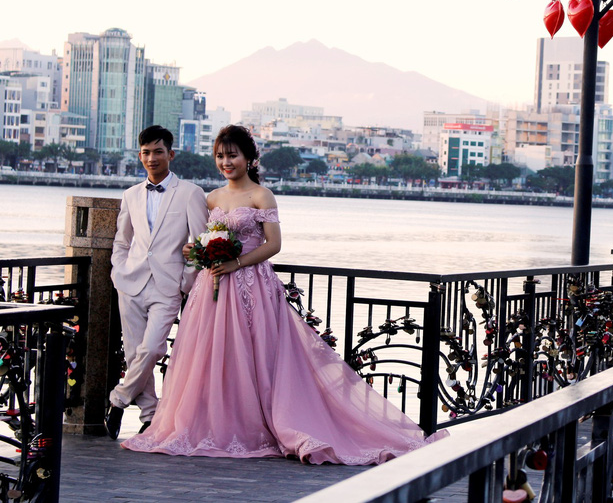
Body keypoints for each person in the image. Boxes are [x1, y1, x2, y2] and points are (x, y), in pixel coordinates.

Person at [123, 125, 446, 463]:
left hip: (252, 286)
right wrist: (198, 251)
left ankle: (263, 422)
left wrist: (236, 263)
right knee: (215, 356)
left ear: (249, 158)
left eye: (232, 155)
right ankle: (214, 419)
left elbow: (274, 245)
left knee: (258, 357)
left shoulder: (262, 195)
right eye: (220, 156)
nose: (226, 162)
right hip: (214, 288)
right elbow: (200, 238)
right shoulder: (212, 198)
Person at [106, 125, 209, 439]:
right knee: (134, 352)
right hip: (130, 283)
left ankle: (118, 399)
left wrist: (185, 281)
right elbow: (122, 241)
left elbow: (200, 241)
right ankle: (150, 417)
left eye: (158, 152)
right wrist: (118, 271)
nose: (152, 158)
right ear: (140, 156)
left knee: (151, 349)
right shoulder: (130, 195)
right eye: (146, 153)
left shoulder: (190, 193)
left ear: (171, 154)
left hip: (167, 286)